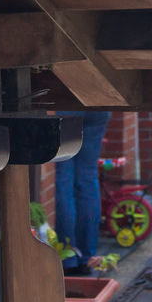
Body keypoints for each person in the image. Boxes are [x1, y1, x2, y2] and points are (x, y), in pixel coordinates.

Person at [55, 110, 112, 275]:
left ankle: (67, 257)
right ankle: (86, 257)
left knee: (63, 178)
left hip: (64, 104)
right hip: (97, 101)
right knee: (87, 176)